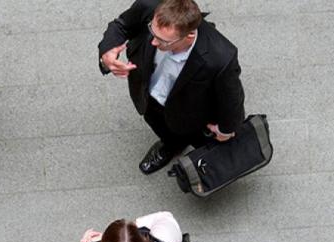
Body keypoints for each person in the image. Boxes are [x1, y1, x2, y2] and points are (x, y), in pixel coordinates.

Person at [98, 0, 245, 174]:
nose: (152, 42)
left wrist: (226, 130)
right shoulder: (150, 6)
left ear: (188, 36)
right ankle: (170, 146)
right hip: (147, 93)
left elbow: (232, 99)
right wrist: (106, 54)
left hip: (189, 110)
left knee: (195, 138)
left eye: (162, 40)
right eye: (152, 30)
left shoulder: (221, 58)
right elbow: (121, 25)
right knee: (157, 123)